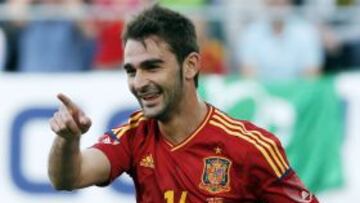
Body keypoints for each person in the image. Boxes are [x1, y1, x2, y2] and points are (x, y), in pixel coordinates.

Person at [48, 5, 319, 202]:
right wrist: (67, 140)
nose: (139, 82)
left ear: (190, 66)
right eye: (131, 71)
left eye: (152, 67)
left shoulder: (251, 147)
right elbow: (68, 178)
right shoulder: (134, 134)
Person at [237, 0, 323, 80]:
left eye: (282, 3)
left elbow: (312, 73)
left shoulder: (306, 32)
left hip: (299, 93)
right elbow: (248, 73)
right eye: (274, 3)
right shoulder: (251, 33)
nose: (277, 9)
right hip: (262, 94)